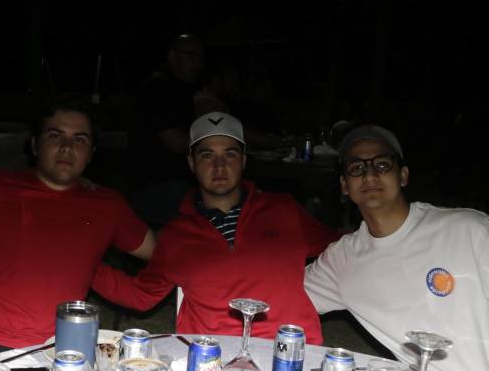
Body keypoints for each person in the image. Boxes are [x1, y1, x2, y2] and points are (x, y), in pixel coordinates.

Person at [0, 93, 155, 370]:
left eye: (79, 139)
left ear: (91, 153)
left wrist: (96, 272)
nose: (67, 147)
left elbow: (166, 255)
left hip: (64, 347)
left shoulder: (106, 205)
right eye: (55, 136)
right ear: (35, 145)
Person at [93, 112, 338, 344]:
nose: (219, 166)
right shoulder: (176, 235)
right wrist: (85, 262)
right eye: (207, 155)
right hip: (212, 355)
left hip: (290, 350)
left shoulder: (283, 210)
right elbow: (141, 295)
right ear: (192, 163)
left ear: (243, 160)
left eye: (229, 154)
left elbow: (343, 248)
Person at [304, 125, 489, 371]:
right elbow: (283, 296)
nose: (370, 175)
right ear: (345, 186)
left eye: (382, 165)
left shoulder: (468, 229)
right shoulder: (341, 260)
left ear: (403, 176)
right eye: (356, 168)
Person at [127, 33, 214, 228]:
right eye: (192, 56)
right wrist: (205, 119)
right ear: (172, 56)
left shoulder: (185, 89)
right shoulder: (158, 88)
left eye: (201, 58)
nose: (198, 64)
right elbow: (177, 144)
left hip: (179, 185)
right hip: (156, 188)